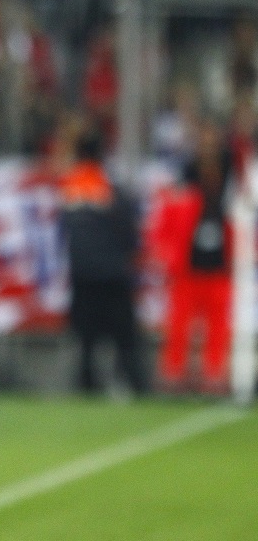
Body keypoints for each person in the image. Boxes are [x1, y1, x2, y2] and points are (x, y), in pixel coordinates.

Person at [59, 129, 148, 396]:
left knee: (86, 340)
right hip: (112, 273)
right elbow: (128, 230)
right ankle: (131, 385)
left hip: (83, 274)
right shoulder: (110, 186)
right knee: (125, 338)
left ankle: (87, 387)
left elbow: (64, 230)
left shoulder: (69, 186)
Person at [151, 117, 235, 395]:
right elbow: (169, 220)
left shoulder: (230, 178)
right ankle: (173, 375)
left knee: (218, 327)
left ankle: (214, 375)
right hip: (189, 267)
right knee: (178, 325)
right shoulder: (187, 179)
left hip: (220, 266)